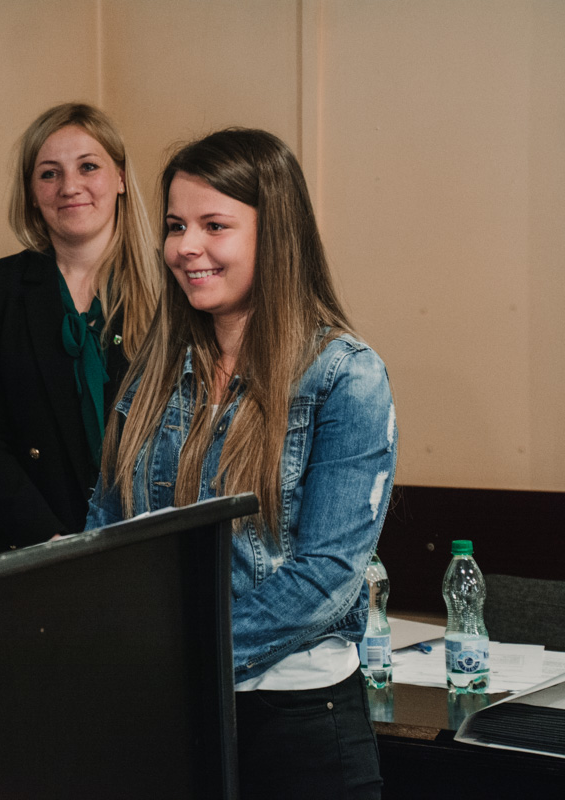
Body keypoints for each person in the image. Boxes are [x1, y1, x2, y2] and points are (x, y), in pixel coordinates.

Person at [88, 128, 395, 799]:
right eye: (176, 226)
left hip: (295, 723)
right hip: (163, 714)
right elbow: (107, 529)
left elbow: (328, 576)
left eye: (214, 225)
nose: (184, 247)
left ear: (275, 236)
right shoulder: (153, 372)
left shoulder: (345, 375)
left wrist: (183, 656)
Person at [0, 103, 161, 550]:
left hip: (151, 541)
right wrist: (52, 545)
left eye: (88, 167)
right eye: (49, 173)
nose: (70, 186)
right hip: (37, 546)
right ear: (31, 192)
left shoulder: (170, 287)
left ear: (121, 178)